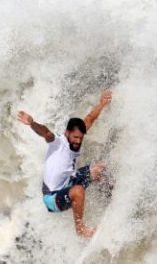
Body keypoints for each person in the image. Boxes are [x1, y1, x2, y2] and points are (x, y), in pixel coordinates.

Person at [17, 90, 112, 237]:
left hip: (68, 182)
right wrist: (32, 123)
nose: (78, 141)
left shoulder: (77, 137)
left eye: (80, 138)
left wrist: (102, 103)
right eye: (75, 137)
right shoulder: (58, 142)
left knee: (99, 169)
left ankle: (110, 199)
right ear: (67, 133)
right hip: (52, 198)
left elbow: (90, 119)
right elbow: (46, 133)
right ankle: (80, 229)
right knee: (78, 191)